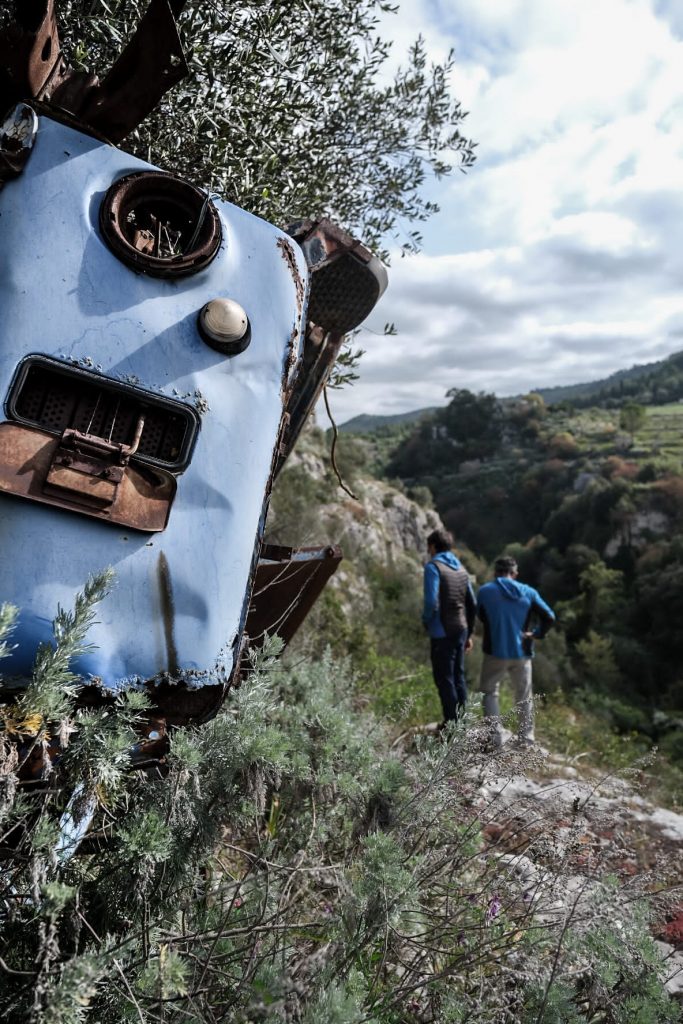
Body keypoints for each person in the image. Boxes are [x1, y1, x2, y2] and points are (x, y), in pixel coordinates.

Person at [476, 555, 555, 748]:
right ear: (515, 573)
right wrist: (535, 634)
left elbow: (481, 616)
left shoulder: (485, 591)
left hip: (495, 651)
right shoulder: (528, 592)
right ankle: (526, 740)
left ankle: (494, 739)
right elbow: (549, 617)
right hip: (522, 652)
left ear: (495, 572)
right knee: (524, 695)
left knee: (489, 692)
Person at [422, 528, 476, 725]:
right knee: (458, 676)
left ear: (434, 546)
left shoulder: (433, 567)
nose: (428, 551)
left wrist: (426, 620)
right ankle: (463, 722)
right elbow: (472, 603)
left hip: (441, 631)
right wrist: (469, 632)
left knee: (444, 678)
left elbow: (431, 602)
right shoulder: (461, 569)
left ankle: (451, 724)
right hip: (460, 629)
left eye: (429, 547)